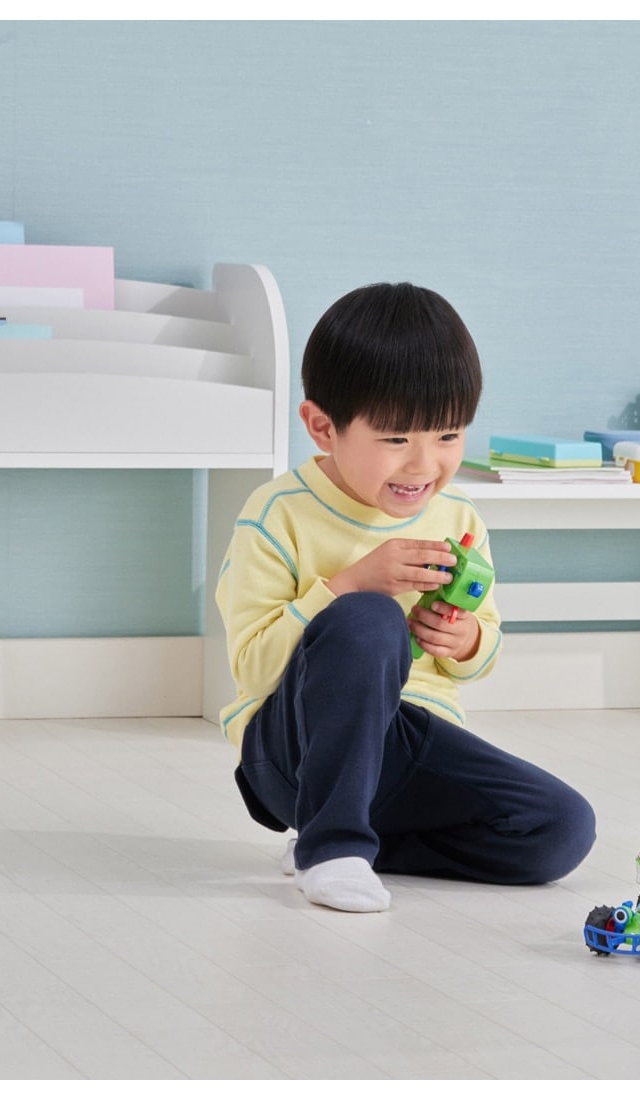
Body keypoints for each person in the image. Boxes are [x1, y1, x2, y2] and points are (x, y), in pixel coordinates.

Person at [216, 282, 596, 912]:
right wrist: (347, 586)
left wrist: (464, 641)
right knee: (367, 618)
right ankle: (331, 848)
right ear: (322, 427)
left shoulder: (457, 515)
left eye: (448, 436)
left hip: (411, 743)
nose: (423, 465)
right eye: (396, 440)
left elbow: (482, 649)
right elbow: (253, 669)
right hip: (293, 755)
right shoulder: (277, 513)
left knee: (560, 828)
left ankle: (360, 840)